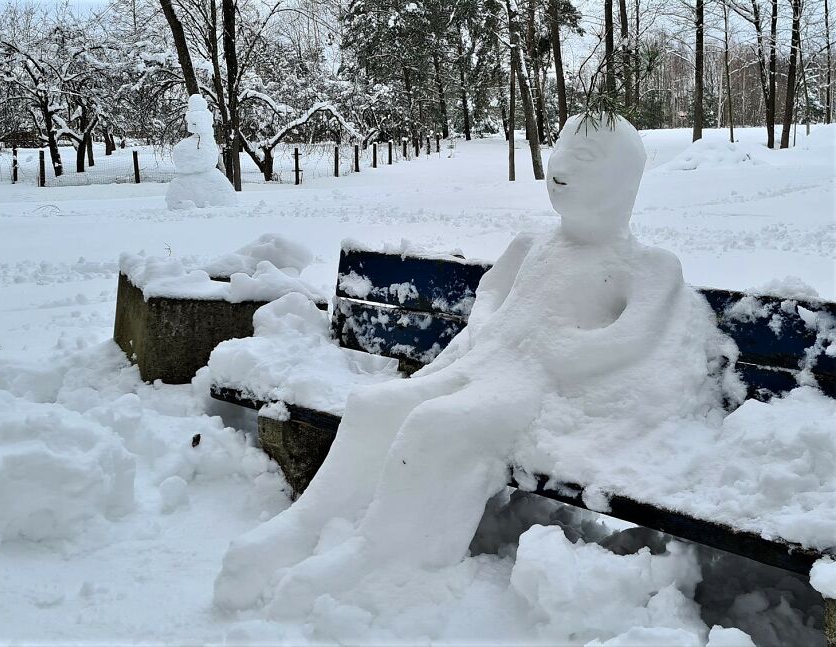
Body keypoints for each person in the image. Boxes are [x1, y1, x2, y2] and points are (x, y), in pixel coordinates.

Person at [214, 112, 737, 615]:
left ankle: (385, 550)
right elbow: (490, 290)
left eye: (585, 157)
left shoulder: (647, 266)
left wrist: (559, 355)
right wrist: (490, 324)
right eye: (562, 148)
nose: (562, 165)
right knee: (376, 404)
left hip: (536, 392)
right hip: (487, 360)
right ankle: (311, 520)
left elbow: (634, 336)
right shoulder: (533, 243)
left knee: (435, 424)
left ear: (623, 178)